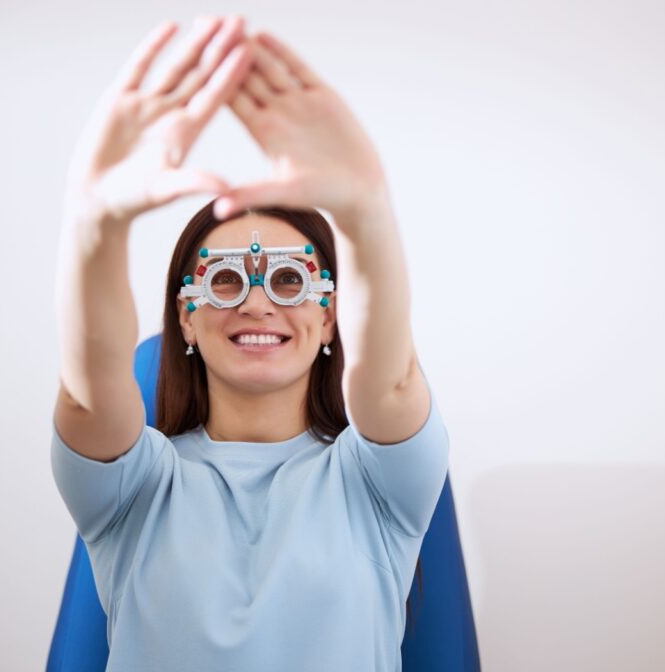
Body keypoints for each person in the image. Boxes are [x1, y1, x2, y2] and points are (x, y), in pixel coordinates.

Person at [51, 15, 450, 671]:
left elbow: (393, 381)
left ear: (329, 320)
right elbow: (87, 396)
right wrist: (93, 222)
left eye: (291, 280)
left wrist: (364, 211)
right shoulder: (133, 488)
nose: (257, 301)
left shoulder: (378, 482)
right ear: (185, 318)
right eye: (227, 280)